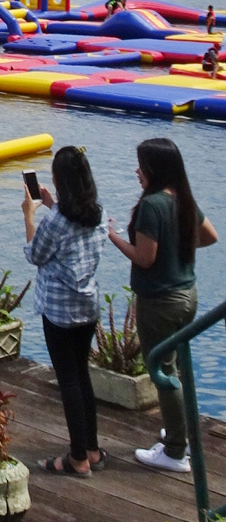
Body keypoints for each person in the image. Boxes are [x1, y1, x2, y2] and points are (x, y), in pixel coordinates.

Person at [107, 138, 218, 472]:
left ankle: (174, 451)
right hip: (188, 296)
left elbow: (144, 258)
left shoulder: (151, 205)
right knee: (178, 368)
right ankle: (179, 432)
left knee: (163, 371)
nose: (136, 171)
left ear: (154, 169)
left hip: (159, 302)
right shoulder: (182, 199)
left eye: (141, 165)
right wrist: (177, 246)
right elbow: (211, 236)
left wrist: (112, 236)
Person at [22, 146, 108, 477]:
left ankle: (77, 458)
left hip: (59, 311)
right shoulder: (97, 213)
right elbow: (73, 233)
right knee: (82, 375)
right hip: (88, 308)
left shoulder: (56, 222)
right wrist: (51, 205)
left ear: (60, 181)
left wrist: (29, 215)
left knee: (68, 380)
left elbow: (35, 254)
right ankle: (92, 449)